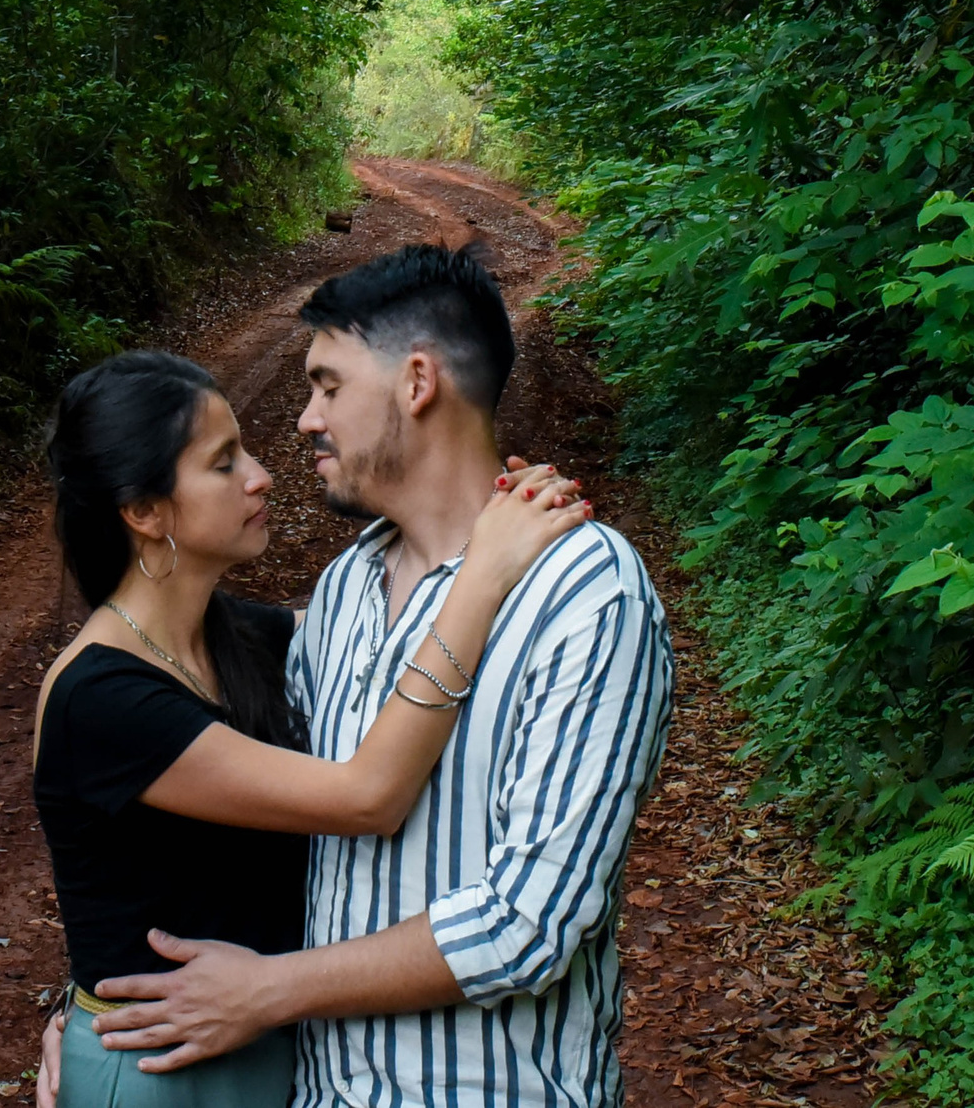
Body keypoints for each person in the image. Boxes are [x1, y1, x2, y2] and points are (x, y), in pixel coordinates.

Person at [82, 244, 676, 1108]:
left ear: (417, 381)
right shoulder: (347, 587)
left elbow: (528, 925)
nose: (304, 420)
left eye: (328, 384)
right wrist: (93, 1017)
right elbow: (262, 840)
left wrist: (274, 988)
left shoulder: (586, 592)